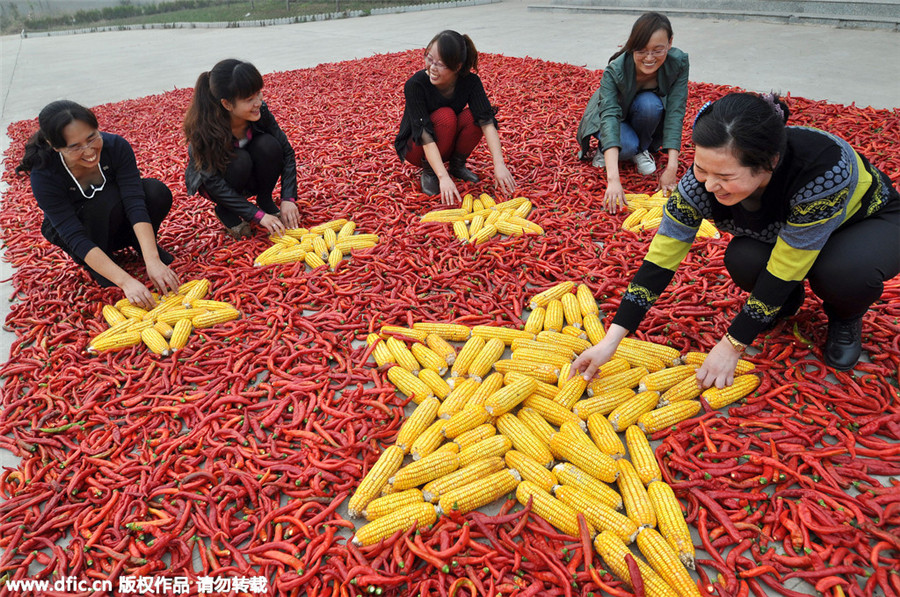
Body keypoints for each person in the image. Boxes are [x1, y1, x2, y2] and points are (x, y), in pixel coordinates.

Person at [572, 92, 900, 383]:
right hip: (791, 230)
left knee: (842, 272)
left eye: (725, 177)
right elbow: (661, 258)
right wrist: (611, 340)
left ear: (769, 163)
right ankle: (782, 306)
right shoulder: (700, 185)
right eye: (701, 169)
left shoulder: (822, 170)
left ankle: (845, 317)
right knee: (743, 258)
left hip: (865, 221)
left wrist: (732, 345)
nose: (709, 185)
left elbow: (788, 265)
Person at [15, 100, 179, 309]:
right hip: (85, 230)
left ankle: (140, 244)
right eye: (75, 147)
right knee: (101, 203)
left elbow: (134, 202)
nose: (89, 150)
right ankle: (101, 263)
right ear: (54, 146)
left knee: (155, 191)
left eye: (92, 137)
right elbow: (73, 235)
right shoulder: (45, 175)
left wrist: (152, 260)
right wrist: (125, 281)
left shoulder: (116, 146)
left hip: (115, 217)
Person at [576, 12, 689, 214]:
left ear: (670, 43)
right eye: (642, 51)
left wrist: (672, 167)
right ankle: (608, 148)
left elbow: (675, 111)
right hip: (612, 117)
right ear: (632, 46)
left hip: (642, 111)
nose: (649, 58)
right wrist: (613, 179)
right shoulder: (615, 70)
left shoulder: (678, 63)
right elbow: (609, 117)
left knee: (651, 105)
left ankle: (642, 148)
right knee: (625, 146)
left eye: (657, 50)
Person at [394, 30, 516, 204]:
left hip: (445, 140)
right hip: (415, 146)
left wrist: (499, 165)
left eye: (440, 64)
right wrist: (442, 177)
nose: (431, 68)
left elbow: (487, 123)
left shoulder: (470, 82)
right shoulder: (416, 85)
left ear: (457, 67)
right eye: (429, 58)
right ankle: (430, 172)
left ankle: (457, 165)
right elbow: (424, 134)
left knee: (475, 116)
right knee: (446, 116)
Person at [184, 58, 299, 239]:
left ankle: (265, 199)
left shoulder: (261, 113)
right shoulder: (204, 131)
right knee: (240, 160)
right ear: (227, 104)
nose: (258, 103)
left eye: (258, 94)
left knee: (269, 145)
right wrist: (257, 216)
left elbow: (287, 152)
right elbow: (214, 183)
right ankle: (226, 210)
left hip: (248, 175)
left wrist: (288, 198)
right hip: (220, 183)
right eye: (249, 99)